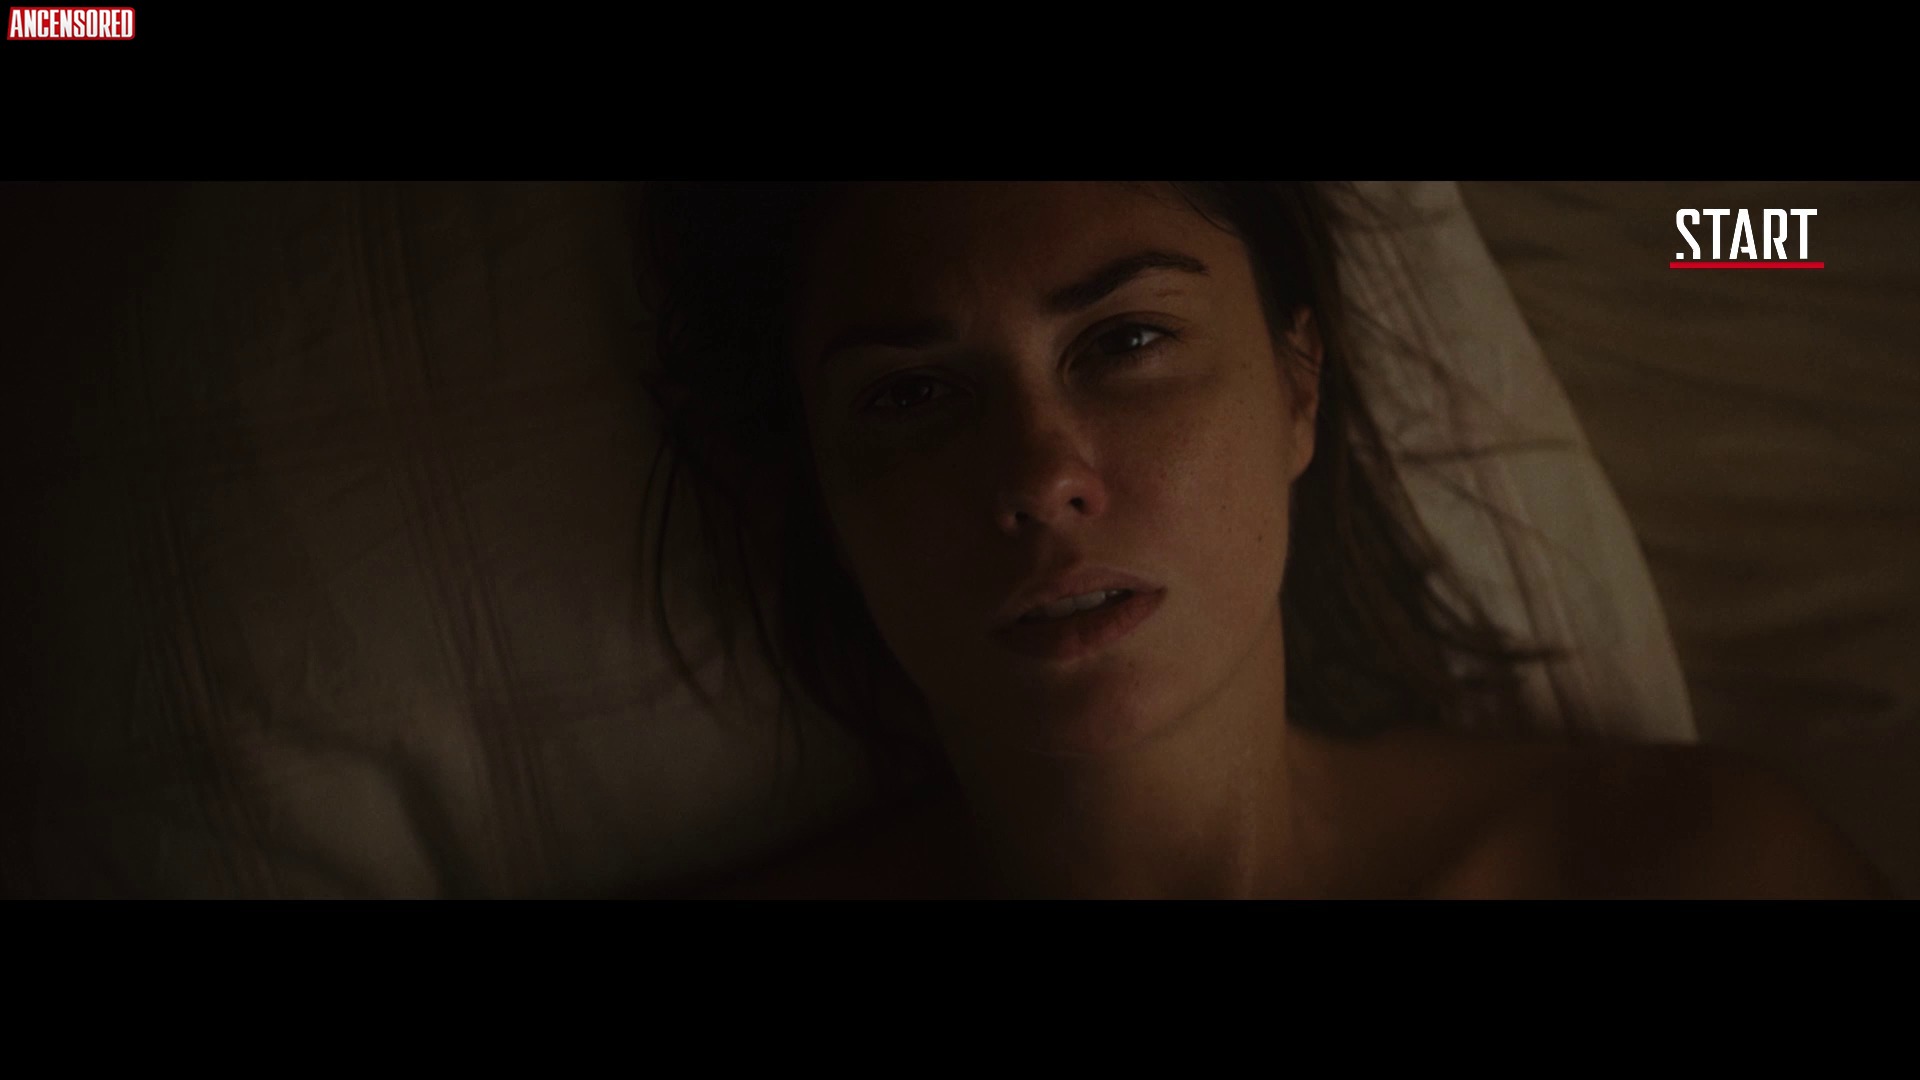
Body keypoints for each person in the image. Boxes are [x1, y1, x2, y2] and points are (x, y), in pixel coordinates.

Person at [634, 181, 1896, 899]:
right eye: (911, 395)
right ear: (819, 492)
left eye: (1125, 341)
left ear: (1298, 387)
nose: (1039, 479)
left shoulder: (1684, 869)